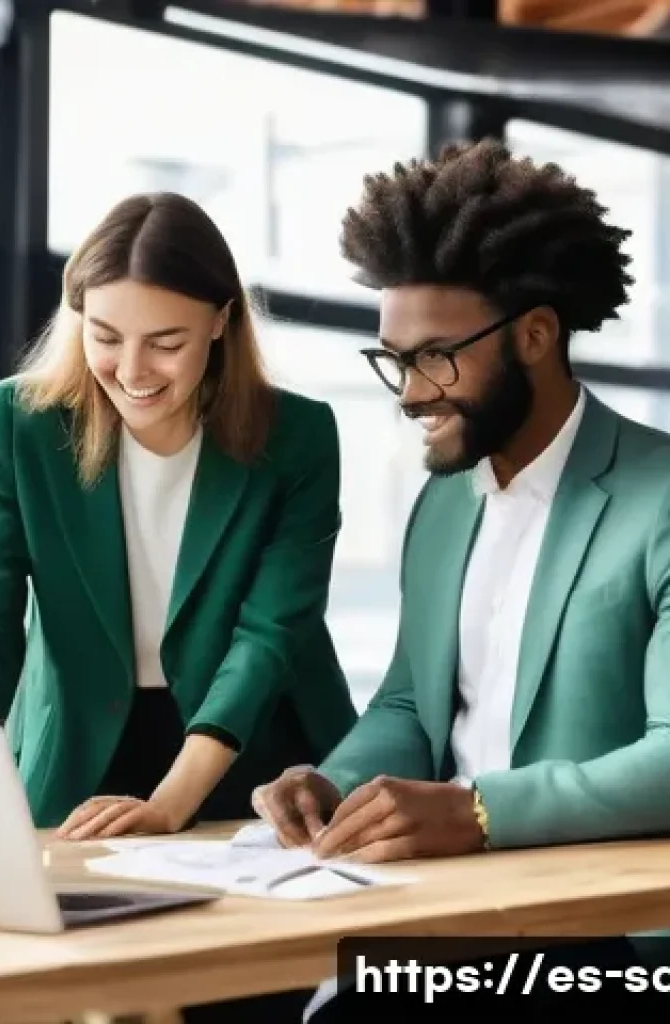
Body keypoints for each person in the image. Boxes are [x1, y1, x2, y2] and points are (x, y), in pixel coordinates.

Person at [250, 139, 670, 1016]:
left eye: (436, 356)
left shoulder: (658, 498)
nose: (409, 393)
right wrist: (335, 783)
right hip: (454, 910)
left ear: (536, 334)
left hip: (617, 942)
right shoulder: (444, 507)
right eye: (395, 360)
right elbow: (412, 703)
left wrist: (479, 812)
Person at [0, 191, 356, 849]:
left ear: (220, 322)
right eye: (105, 337)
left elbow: (269, 636)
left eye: (165, 342)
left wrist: (171, 803)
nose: (131, 372)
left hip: (257, 758)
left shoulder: (296, 437)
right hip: (79, 755)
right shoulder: (25, 427)